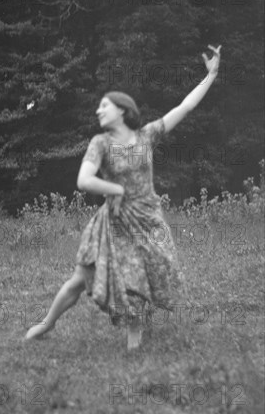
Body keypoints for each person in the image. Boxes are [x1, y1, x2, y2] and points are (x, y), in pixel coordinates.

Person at [24, 45, 222, 350]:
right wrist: (116, 189)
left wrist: (211, 75)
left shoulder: (147, 136)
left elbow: (185, 107)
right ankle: (47, 323)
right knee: (79, 280)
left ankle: (134, 349)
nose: (98, 110)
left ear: (122, 110)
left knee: (143, 279)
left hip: (147, 220)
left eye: (104, 105)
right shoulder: (100, 143)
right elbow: (84, 180)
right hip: (113, 222)